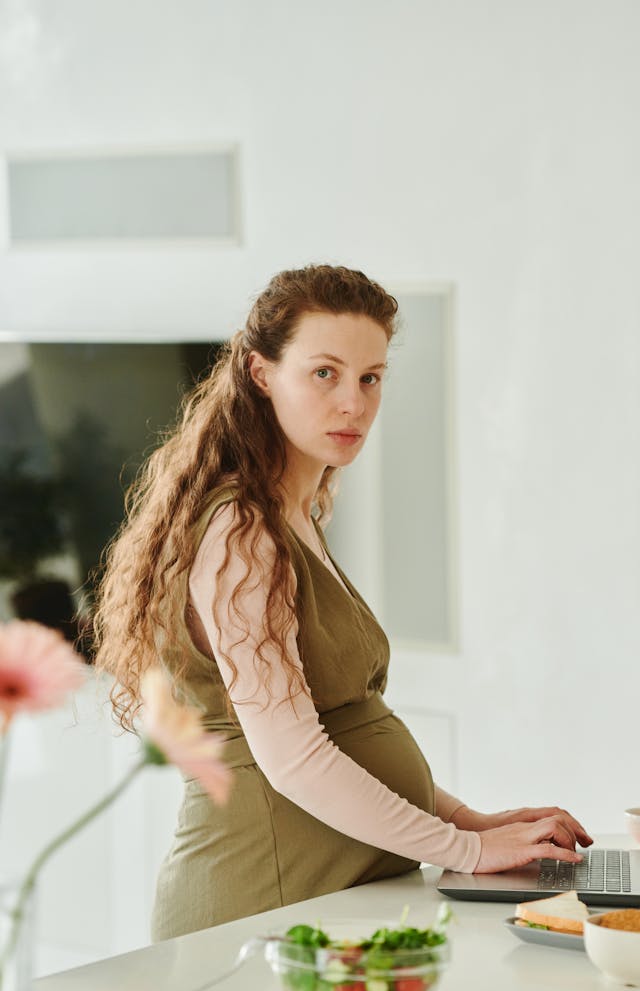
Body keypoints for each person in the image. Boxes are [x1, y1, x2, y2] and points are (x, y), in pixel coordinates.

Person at [94, 264, 592, 940]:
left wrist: (472, 822)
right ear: (261, 372)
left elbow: (347, 727)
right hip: (256, 910)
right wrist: (471, 852)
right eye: (324, 373)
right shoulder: (243, 532)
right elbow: (294, 757)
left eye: (370, 377)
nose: (353, 404)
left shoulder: (291, 513)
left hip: (319, 902)